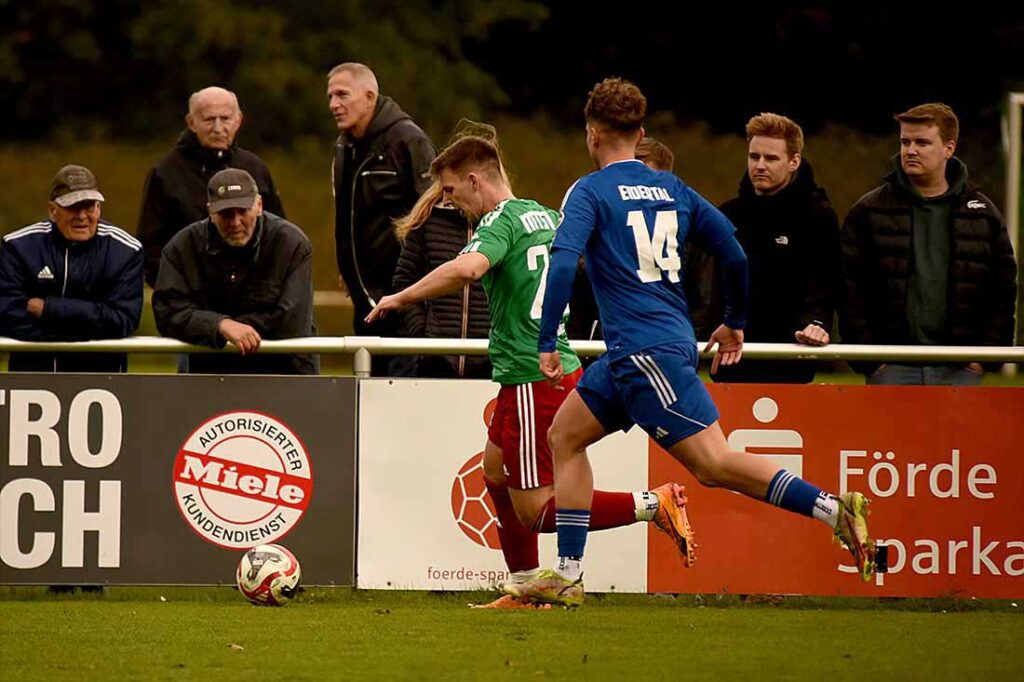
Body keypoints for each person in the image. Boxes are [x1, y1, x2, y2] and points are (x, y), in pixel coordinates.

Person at [517, 78, 875, 607]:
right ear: (639, 133)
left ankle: (834, 509)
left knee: (713, 463)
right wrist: (733, 321)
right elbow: (733, 253)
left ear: (592, 134)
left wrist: (548, 337)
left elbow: (565, 261)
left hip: (645, 355)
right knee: (564, 436)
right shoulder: (674, 189)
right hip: (644, 350)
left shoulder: (589, 191)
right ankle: (567, 575)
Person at [366, 134, 694, 607]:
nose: (452, 204)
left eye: (453, 192)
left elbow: (468, 270)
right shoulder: (542, 213)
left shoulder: (498, 221)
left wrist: (400, 296)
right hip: (542, 369)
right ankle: (524, 583)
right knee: (494, 472)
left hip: (530, 376)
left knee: (536, 509)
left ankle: (652, 503)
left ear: (476, 180)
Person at [840, 103, 1017, 385]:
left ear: (949, 148)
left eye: (922, 142)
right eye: (905, 141)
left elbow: (1002, 289)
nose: (910, 150)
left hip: (960, 369)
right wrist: (871, 360)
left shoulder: (983, 213)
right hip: (891, 366)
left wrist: (983, 359)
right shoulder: (869, 210)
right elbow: (850, 288)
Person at [707, 113, 840, 383]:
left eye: (771, 158)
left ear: (794, 161)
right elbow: (713, 287)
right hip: (732, 357)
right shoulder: (729, 213)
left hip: (791, 358)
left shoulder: (818, 215)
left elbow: (824, 283)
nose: (760, 165)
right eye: (754, 157)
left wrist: (817, 324)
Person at [152, 168, 318, 375]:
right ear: (210, 212)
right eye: (226, 214)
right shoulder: (181, 248)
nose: (236, 222)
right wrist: (220, 325)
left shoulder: (292, 244)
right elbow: (167, 313)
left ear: (258, 205)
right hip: (209, 375)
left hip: (283, 371)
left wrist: (228, 328)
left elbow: (291, 321)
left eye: (242, 211)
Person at [327, 62, 435, 376]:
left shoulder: (408, 140)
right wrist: (348, 264)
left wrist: (416, 288)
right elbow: (347, 216)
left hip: (405, 302)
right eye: (331, 96)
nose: (334, 104)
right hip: (364, 301)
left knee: (400, 396)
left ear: (370, 96)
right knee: (367, 398)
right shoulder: (344, 147)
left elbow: (431, 213)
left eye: (342, 95)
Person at [137, 86, 285, 288]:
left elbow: (279, 237)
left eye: (225, 119)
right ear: (191, 122)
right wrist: (179, 295)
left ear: (238, 120)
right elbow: (150, 250)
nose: (217, 128)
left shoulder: (256, 169)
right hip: (190, 299)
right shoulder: (165, 174)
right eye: (209, 119)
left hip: (253, 297)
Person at [0, 164, 143, 372]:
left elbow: (123, 320)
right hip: (32, 381)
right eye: (73, 207)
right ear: (52, 210)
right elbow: (7, 316)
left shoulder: (126, 250)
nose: (82, 216)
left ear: (99, 208)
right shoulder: (18, 246)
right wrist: (88, 325)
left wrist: (47, 309)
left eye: (90, 206)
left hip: (104, 383)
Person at [392, 181, 492, 378]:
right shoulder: (428, 220)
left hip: (491, 361)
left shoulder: (503, 223)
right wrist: (422, 333)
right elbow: (403, 280)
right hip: (435, 362)